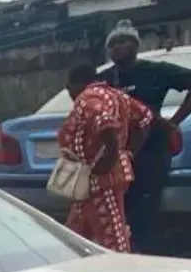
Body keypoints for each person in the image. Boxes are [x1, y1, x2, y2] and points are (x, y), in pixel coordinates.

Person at [103, 21, 191, 254]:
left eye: (122, 42)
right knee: (119, 212)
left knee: (146, 213)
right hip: (116, 155)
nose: (116, 48)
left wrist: (174, 121)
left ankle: (148, 257)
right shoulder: (103, 79)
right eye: (112, 45)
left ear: (135, 46)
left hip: (150, 154)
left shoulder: (156, 71)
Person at [57, 63, 153, 253]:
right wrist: (129, 152)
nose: (68, 90)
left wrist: (108, 159)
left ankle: (120, 270)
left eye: (69, 85)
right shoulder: (117, 96)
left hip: (100, 179)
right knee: (75, 231)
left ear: (76, 83)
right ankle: (68, 263)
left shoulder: (87, 98)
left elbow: (105, 125)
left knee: (111, 231)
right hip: (89, 180)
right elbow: (145, 118)